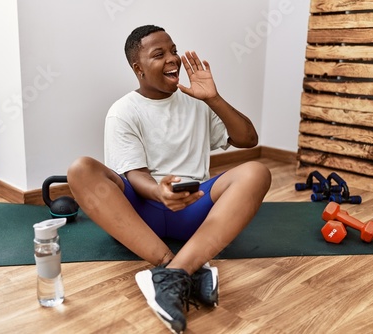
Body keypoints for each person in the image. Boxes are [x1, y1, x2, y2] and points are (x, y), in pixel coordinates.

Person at [67, 24, 271, 333]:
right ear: (139, 68)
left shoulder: (198, 103)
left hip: (194, 208)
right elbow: (134, 174)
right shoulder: (123, 111)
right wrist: (159, 192)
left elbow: (248, 139)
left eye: (174, 50)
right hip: (141, 212)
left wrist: (214, 98)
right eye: (159, 54)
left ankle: (173, 273)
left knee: (258, 172)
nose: (173, 59)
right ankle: (177, 264)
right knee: (80, 169)